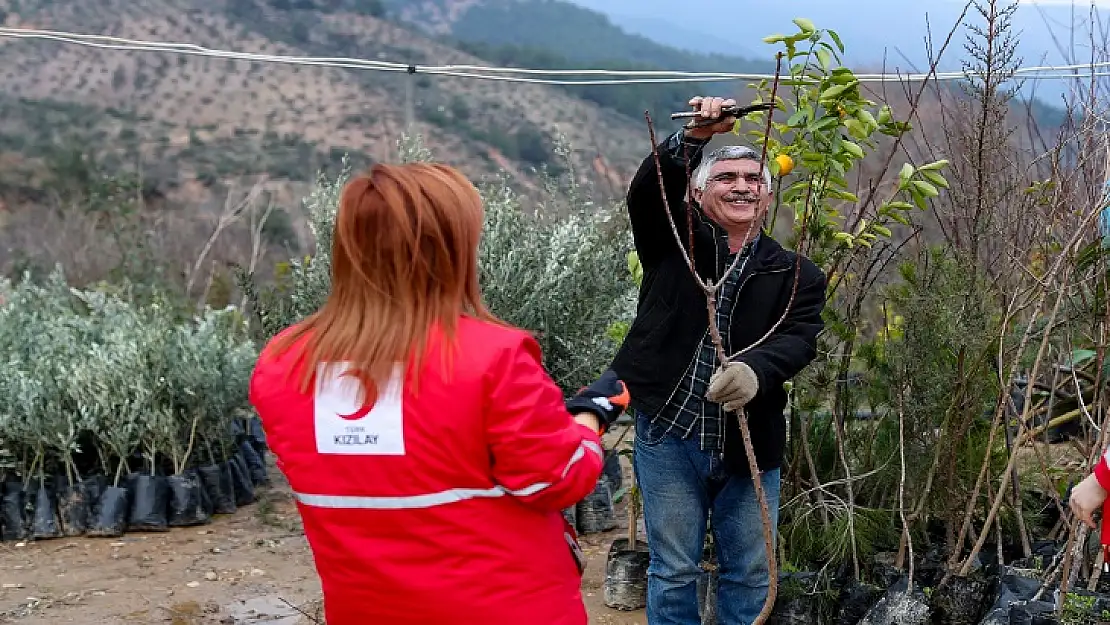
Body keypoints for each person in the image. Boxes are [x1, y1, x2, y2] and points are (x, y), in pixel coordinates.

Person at [248, 162, 631, 625]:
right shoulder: (493, 356)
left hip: (363, 607)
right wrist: (592, 413)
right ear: (448, 249)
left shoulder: (284, 363)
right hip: (507, 606)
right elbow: (554, 480)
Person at [609, 95, 827, 624]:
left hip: (749, 442)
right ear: (699, 191)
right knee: (673, 569)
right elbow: (646, 193)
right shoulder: (672, 242)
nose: (742, 186)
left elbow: (799, 338)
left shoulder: (796, 273)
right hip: (668, 436)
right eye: (726, 176)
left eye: (753, 178)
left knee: (750, 573)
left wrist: (756, 370)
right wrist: (696, 137)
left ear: (767, 194)